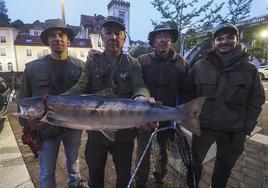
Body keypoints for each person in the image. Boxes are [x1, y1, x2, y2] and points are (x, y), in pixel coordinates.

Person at [64, 16, 155, 188]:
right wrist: (59, 99)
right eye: (108, 33)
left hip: (124, 134)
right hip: (96, 134)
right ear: (102, 36)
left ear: (124, 38)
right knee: (95, 175)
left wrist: (142, 98)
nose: (113, 37)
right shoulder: (92, 62)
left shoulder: (133, 63)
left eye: (117, 33)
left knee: (123, 176)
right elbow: (81, 86)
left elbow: (140, 86)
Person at [190, 23, 265, 188]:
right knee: (193, 164)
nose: (225, 41)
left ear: (237, 40)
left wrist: (247, 127)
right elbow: (189, 95)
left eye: (230, 37)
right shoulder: (199, 67)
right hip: (203, 129)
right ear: (213, 43)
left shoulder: (249, 69)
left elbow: (256, 99)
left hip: (234, 132)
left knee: (223, 170)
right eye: (220, 38)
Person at [18, 21, 88, 188]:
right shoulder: (32, 68)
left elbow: (88, 96)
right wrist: (28, 124)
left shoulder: (81, 67)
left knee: (74, 166)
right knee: (46, 172)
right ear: (47, 41)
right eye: (52, 35)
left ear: (68, 40)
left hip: (73, 128)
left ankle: (75, 185)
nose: (57, 38)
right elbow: (22, 101)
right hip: (45, 130)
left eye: (61, 35)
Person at [135, 24, 192, 188]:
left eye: (167, 36)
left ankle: (159, 177)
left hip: (168, 117)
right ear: (153, 41)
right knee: (142, 151)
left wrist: (179, 113)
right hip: (144, 116)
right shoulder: (142, 60)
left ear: (172, 41)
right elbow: (136, 83)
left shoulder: (182, 63)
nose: (163, 40)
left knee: (163, 151)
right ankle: (141, 181)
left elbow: (187, 92)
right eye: (159, 37)